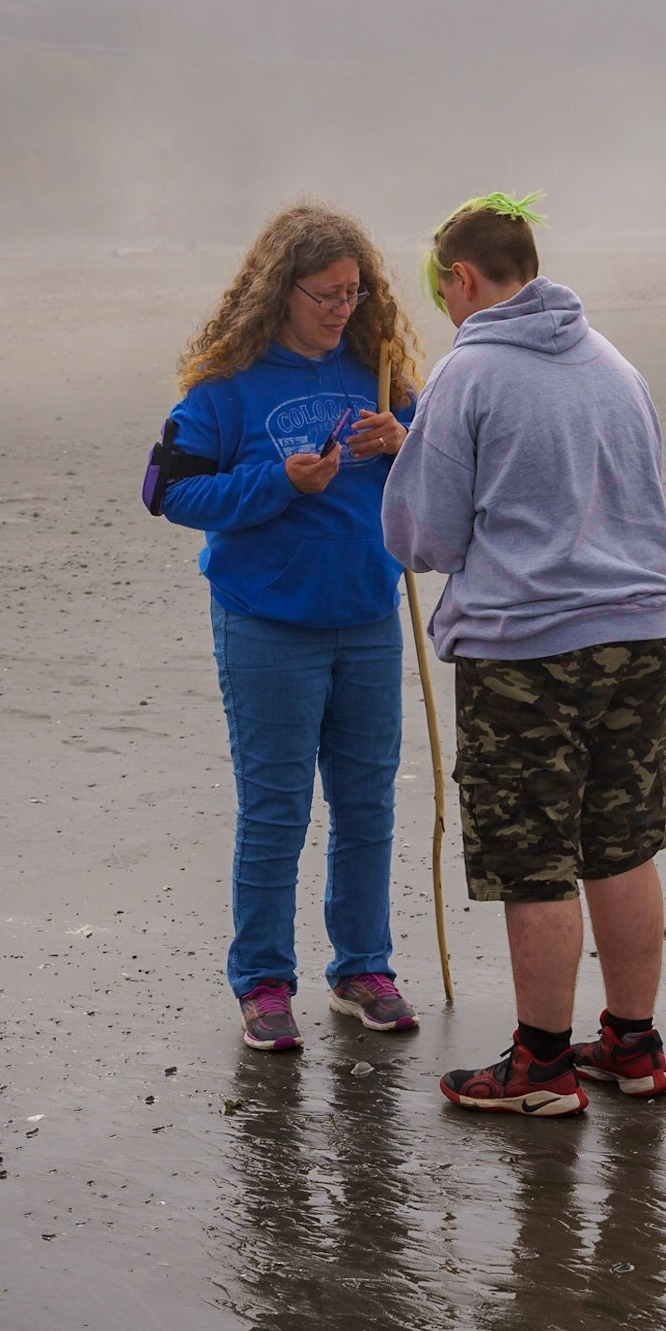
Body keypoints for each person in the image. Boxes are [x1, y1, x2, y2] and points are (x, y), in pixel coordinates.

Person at [382, 193, 666, 1114]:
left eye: (444, 295)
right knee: (622, 845)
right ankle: (632, 1048)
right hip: (640, 634)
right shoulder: (614, 362)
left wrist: (407, 465)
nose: (447, 312)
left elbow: (424, 538)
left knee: (538, 859)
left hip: (529, 652)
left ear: (464, 280)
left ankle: (542, 1066)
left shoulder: (468, 375)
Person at [162, 202, 425, 1052]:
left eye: (354, 291)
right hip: (265, 622)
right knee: (275, 811)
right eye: (325, 294)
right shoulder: (225, 385)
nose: (342, 308)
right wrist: (280, 484)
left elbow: (440, 468)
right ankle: (264, 985)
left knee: (366, 805)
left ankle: (361, 970)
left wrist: (403, 443)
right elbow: (167, 493)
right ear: (281, 290)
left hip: (369, 617)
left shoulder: (378, 370)